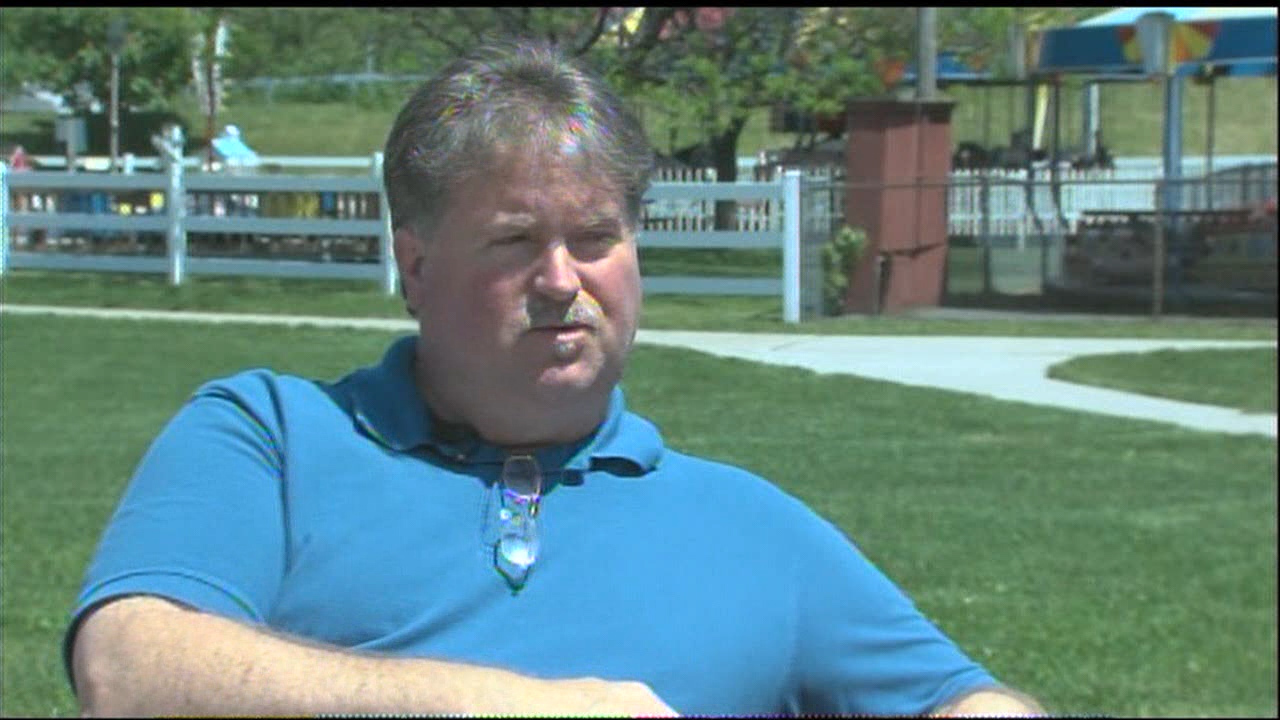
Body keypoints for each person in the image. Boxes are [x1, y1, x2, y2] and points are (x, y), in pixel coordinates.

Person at [66, 39, 1045, 717]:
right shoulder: (273, 438)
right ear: (414, 267)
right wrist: (497, 705)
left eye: (594, 238)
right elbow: (130, 668)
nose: (560, 280)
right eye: (514, 241)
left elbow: (959, 699)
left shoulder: (754, 529)